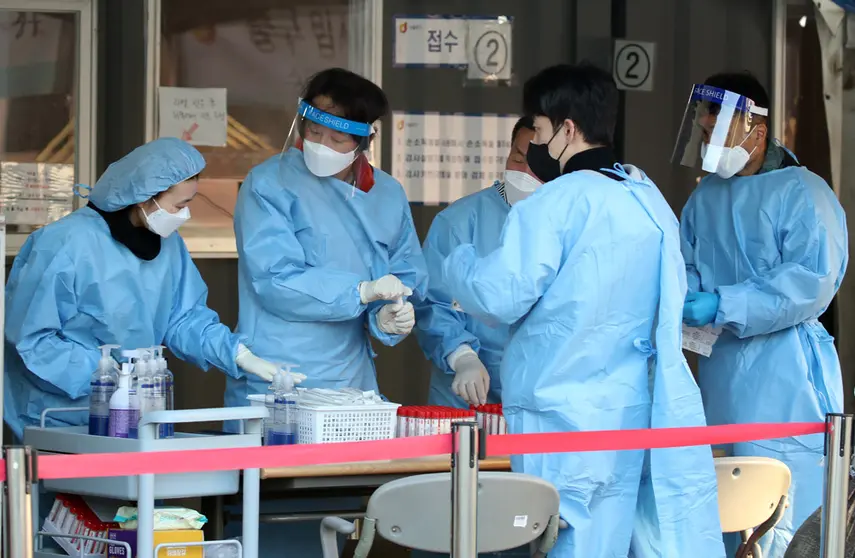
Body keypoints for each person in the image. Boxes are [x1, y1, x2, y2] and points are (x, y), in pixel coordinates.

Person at [440, 63, 724, 558]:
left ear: (567, 129)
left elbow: (502, 295)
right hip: (628, 415)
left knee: (562, 541)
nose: (534, 147)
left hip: (560, 418)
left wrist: (459, 264)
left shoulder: (557, 202)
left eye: (541, 131)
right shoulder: (646, 196)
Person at [675, 72, 848, 557]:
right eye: (702, 133)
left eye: (716, 132)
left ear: (756, 129)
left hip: (786, 378)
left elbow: (809, 283)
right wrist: (685, 299)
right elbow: (685, 266)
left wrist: (724, 303)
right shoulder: (704, 197)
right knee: (724, 515)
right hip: (720, 377)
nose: (707, 142)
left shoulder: (805, 194)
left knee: (786, 521)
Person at [4, 137, 281, 440]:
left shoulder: (168, 244)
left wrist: (236, 353)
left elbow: (184, 318)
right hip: (62, 415)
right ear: (144, 196)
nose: (183, 215)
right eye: (179, 205)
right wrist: (107, 377)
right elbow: (32, 338)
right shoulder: (64, 243)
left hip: (136, 414)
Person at [228, 68, 427, 412]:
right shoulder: (268, 185)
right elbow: (275, 279)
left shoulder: (387, 194)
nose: (321, 146)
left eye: (337, 140)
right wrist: (361, 291)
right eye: (314, 132)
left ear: (365, 139)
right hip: (276, 375)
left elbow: (404, 273)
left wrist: (386, 317)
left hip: (351, 381)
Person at [415, 116, 539, 408]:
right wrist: (462, 356)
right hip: (463, 397)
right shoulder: (460, 221)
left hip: (538, 396)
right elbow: (433, 301)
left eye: (536, 167)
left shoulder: (570, 224)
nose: (524, 172)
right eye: (518, 159)